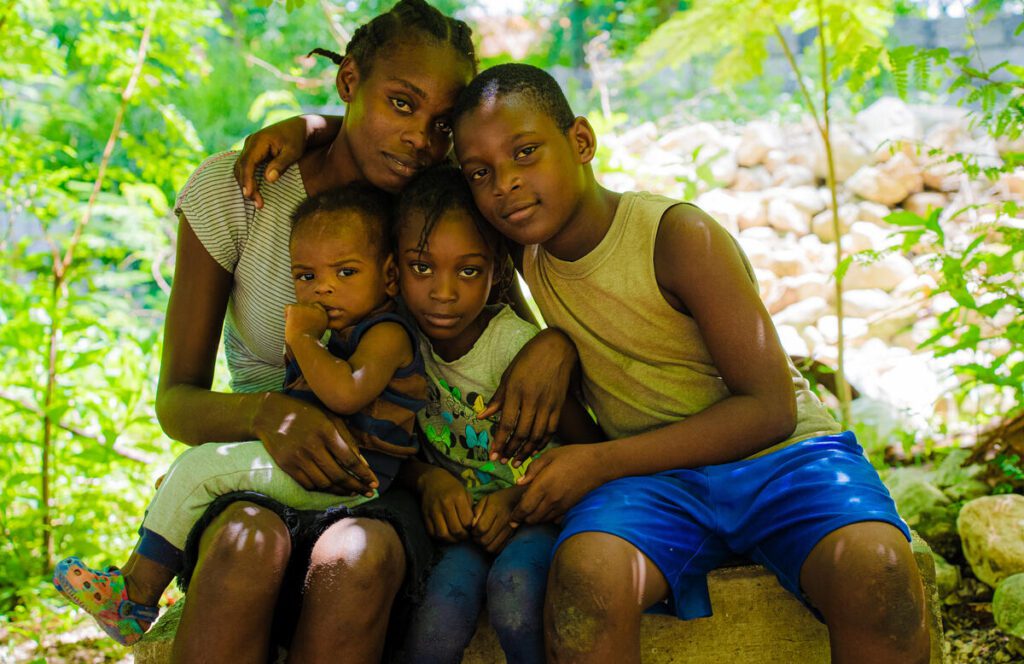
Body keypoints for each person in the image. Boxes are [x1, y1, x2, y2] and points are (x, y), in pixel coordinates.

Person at [447, 63, 931, 664]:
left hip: (782, 461)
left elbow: (771, 409)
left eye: (526, 152)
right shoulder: (523, 248)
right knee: (585, 584)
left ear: (581, 141)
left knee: (880, 575)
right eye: (480, 173)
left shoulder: (676, 237)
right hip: (656, 485)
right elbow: (413, 185)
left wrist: (599, 461)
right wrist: (310, 130)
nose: (505, 185)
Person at [142, 3, 578, 661]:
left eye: (439, 124)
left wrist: (558, 344)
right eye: (400, 105)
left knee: (359, 558)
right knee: (243, 546)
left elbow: (510, 318)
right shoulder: (241, 194)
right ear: (349, 81)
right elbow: (175, 402)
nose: (418, 139)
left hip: (391, 479)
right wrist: (269, 415)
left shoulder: (432, 205)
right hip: (260, 460)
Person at [53, 185, 427, 646]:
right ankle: (132, 583)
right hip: (322, 466)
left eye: (346, 272)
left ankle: (135, 596)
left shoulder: (386, 334)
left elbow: (346, 395)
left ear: (390, 278)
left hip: (354, 476)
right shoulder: (339, 331)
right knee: (203, 467)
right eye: (306, 276)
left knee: (202, 469)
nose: (324, 288)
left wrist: (305, 341)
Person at [388, 166, 603, 664]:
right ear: (394, 270)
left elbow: (588, 452)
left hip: (537, 516)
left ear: (497, 272)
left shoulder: (514, 349)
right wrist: (428, 482)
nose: (444, 293)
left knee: (514, 596)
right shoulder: (397, 341)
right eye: (423, 268)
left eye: (467, 271)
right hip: (465, 528)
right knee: (439, 615)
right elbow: (385, 445)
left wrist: (521, 500)